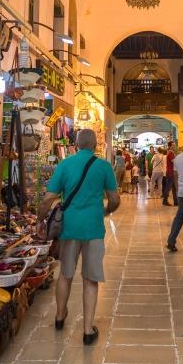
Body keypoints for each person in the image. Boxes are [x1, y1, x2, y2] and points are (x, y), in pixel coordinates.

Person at [39, 129, 120, 345]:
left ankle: (59, 317)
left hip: (69, 228)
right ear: (94, 145)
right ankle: (87, 330)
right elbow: (114, 199)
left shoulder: (65, 165)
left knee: (65, 275)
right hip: (93, 229)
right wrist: (105, 211)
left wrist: (40, 218)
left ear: (75, 144)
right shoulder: (103, 166)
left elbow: (48, 199)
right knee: (90, 279)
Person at [162, 141, 177, 206]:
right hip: (170, 173)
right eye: (173, 145)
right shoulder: (170, 153)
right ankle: (165, 200)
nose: (174, 146)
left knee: (174, 188)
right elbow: (174, 161)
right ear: (170, 146)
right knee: (168, 188)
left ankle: (176, 202)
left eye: (174, 145)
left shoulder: (171, 153)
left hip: (172, 172)